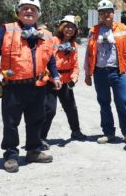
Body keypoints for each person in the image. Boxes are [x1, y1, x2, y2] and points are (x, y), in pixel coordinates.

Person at [0, 0, 62, 173]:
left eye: (33, 9)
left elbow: (50, 58)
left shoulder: (46, 35)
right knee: (11, 122)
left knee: (37, 119)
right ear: (18, 12)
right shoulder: (7, 30)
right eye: (25, 8)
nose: (29, 11)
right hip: (13, 86)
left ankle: (33, 151)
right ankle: (11, 154)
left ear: (38, 14)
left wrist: (56, 76)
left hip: (38, 86)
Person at [84, 0, 126, 145]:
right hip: (99, 73)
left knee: (123, 102)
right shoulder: (93, 31)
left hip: (117, 72)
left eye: (108, 11)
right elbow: (89, 53)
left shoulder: (124, 29)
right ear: (99, 14)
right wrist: (88, 74)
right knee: (104, 103)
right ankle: (108, 133)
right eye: (102, 12)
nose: (106, 14)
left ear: (113, 13)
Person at [40, 15, 87, 150]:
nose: (69, 29)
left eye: (72, 27)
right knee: (50, 110)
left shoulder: (73, 45)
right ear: (61, 27)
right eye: (67, 26)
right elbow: (46, 61)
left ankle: (76, 131)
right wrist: (52, 77)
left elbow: (75, 65)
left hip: (66, 81)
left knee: (71, 108)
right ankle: (41, 138)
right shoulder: (53, 41)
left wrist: (74, 78)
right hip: (51, 81)